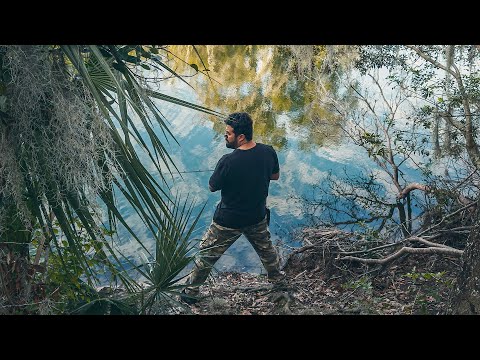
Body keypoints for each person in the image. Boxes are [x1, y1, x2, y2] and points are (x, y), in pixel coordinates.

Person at [180, 112, 285, 304]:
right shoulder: (268, 151)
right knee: (267, 251)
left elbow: (212, 187)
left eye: (228, 134)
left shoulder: (227, 161)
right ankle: (278, 281)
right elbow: (275, 176)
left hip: (227, 222)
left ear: (241, 137)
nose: (225, 136)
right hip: (256, 217)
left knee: (206, 257)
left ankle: (190, 294)